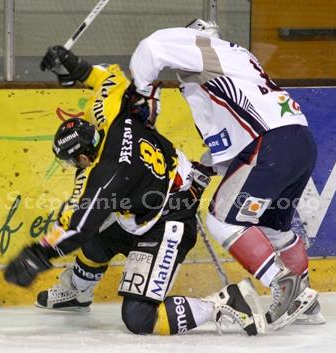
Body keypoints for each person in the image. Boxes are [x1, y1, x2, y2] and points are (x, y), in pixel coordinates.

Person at [2, 46, 267, 336]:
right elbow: (110, 80)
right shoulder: (112, 117)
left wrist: (36, 255)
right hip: (158, 199)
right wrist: (76, 68)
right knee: (95, 243)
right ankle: (78, 294)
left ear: (82, 157)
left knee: (139, 318)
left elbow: (77, 225)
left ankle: (226, 302)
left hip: (169, 223)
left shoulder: (105, 176)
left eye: (71, 162)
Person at [129, 19, 324, 326]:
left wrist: (143, 93)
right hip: (298, 143)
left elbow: (152, 47)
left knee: (220, 219)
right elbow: (233, 151)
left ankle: (281, 283)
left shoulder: (209, 50)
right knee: (273, 229)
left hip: (271, 145)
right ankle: (306, 302)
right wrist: (203, 170)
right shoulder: (226, 72)